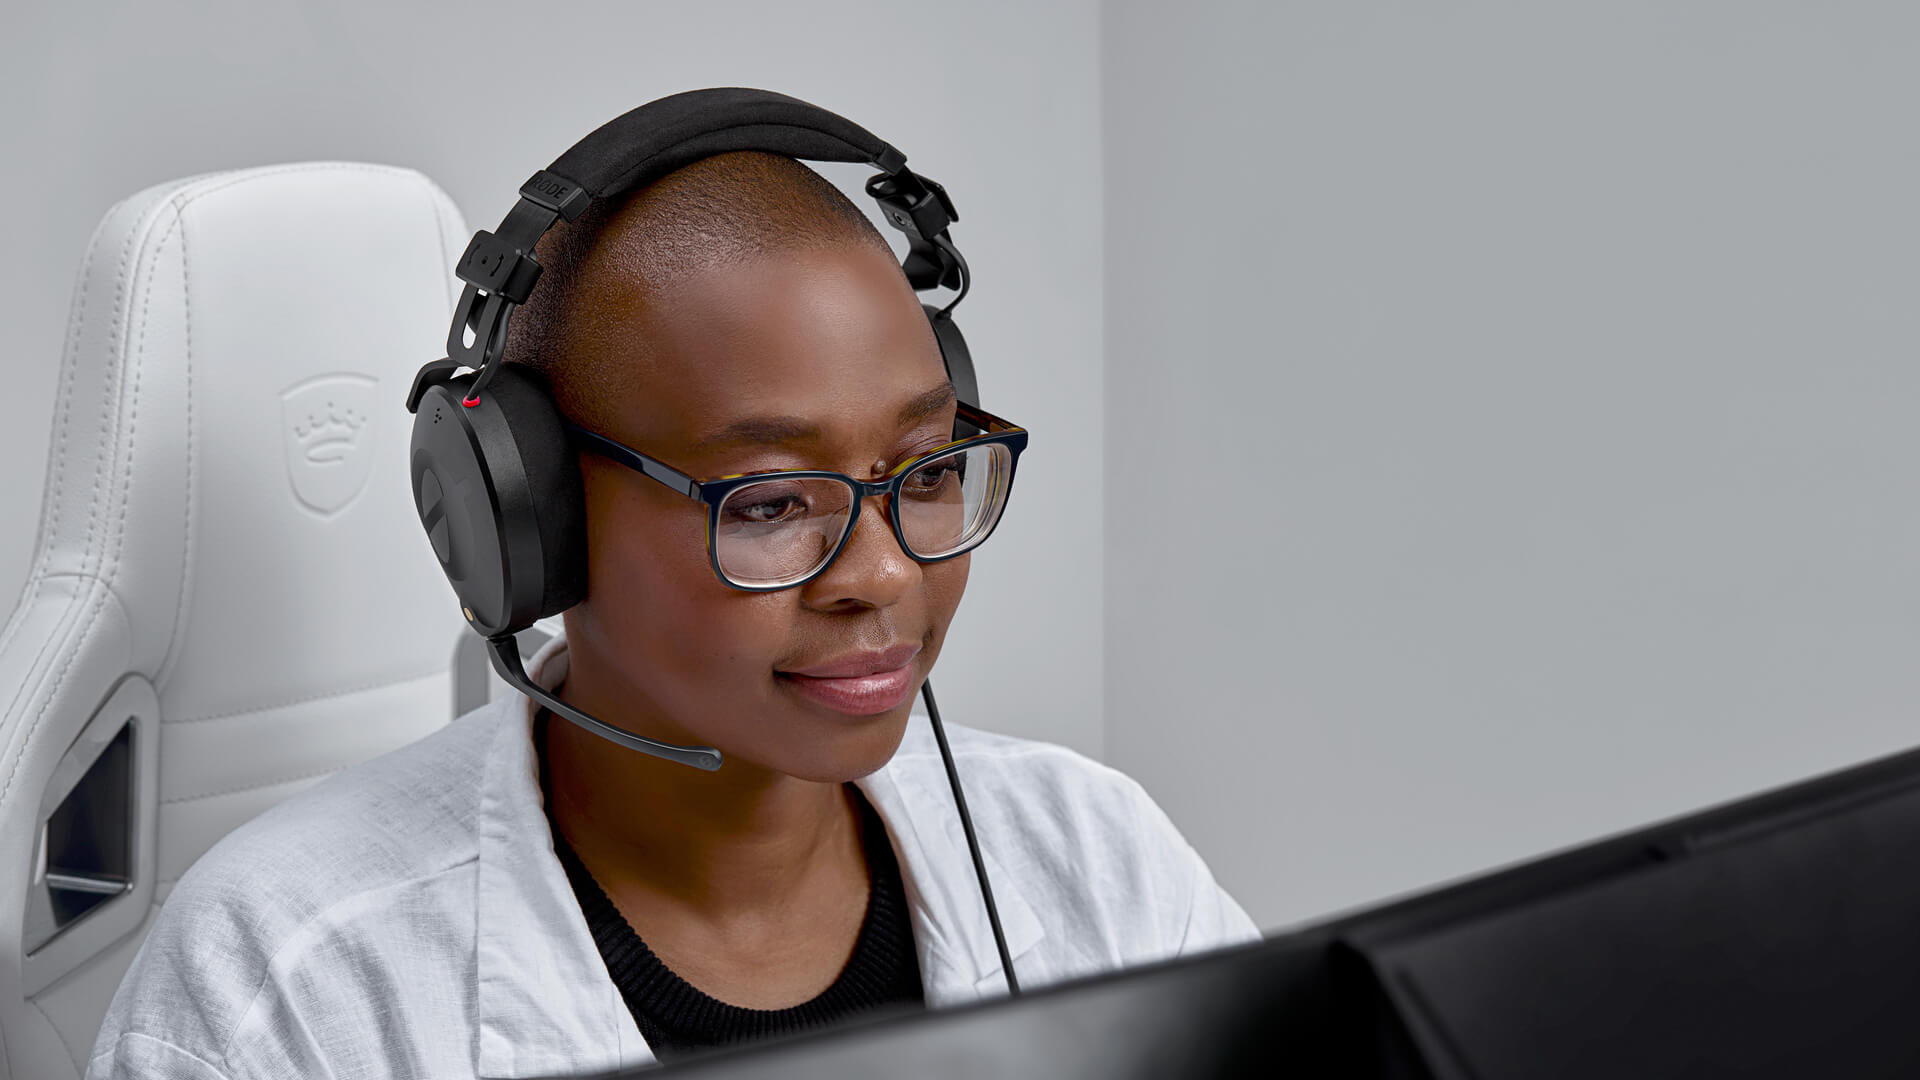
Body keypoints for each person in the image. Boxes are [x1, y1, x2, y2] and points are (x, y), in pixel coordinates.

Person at [87, 147, 1258, 1080]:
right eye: (769, 504)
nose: (884, 576)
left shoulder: (1094, 859)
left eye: (929, 473)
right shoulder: (281, 988)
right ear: (534, 523)